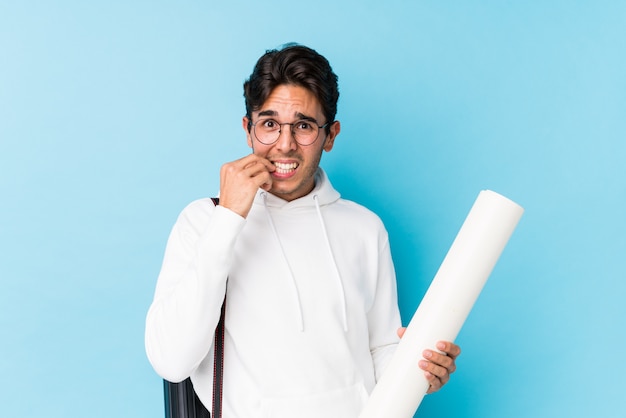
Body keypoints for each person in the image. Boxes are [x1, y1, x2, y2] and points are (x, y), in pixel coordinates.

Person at [145, 44, 461, 417]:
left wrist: (419, 371)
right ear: (248, 130)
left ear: (330, 135)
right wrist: (229, 218)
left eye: (304, 126)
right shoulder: (203, 221)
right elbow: (171, 361)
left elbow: (380, 351)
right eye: (269, 124)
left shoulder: (364, 228)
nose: (285, 144)